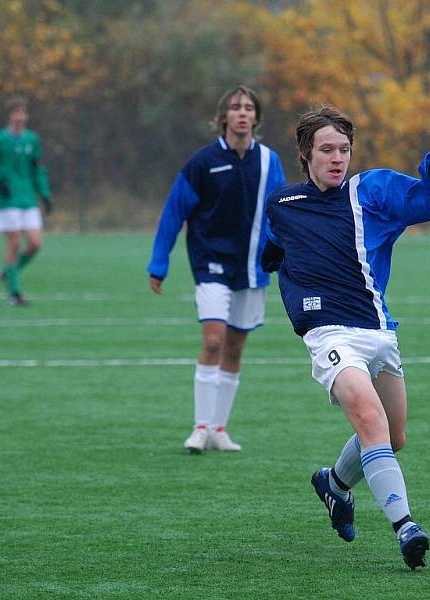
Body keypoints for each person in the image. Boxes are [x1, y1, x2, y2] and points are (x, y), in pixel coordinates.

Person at [262, 106, 430, 569]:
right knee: (371, 422)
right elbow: (271, 250)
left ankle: (334, 484)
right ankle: (406, 526)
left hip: (379, 329)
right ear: (305, 154)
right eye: (327, 149)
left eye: (344, 149)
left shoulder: (369, 191)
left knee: (395, 436)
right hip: (329, 333)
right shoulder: (283, 205)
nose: (337, 158)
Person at [147, 86, 286, 454]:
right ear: (223, 116)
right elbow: (174, 210)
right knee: (213, 341)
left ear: (256, 117)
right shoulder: (203, 162)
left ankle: (219, 429)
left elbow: (279, 214)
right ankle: (200, 428)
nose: (242, 113)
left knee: (236, 348)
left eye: (248, 108)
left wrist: (281, 252)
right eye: (235, 107)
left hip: (253, 269)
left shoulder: (270, 162)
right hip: (210, 264)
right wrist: (159, 261)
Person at [0, 95, 52, 306]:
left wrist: (44, 194)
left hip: (27, 198)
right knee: (14, 242)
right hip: (6, 200)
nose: (20, 116)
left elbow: (38, 169)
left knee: (36, 243)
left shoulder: (32, 139)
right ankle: (14, 293)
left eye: (23, 112)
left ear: (26, 116)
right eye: (15, 112)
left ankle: (8, 273)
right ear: (9, 115)